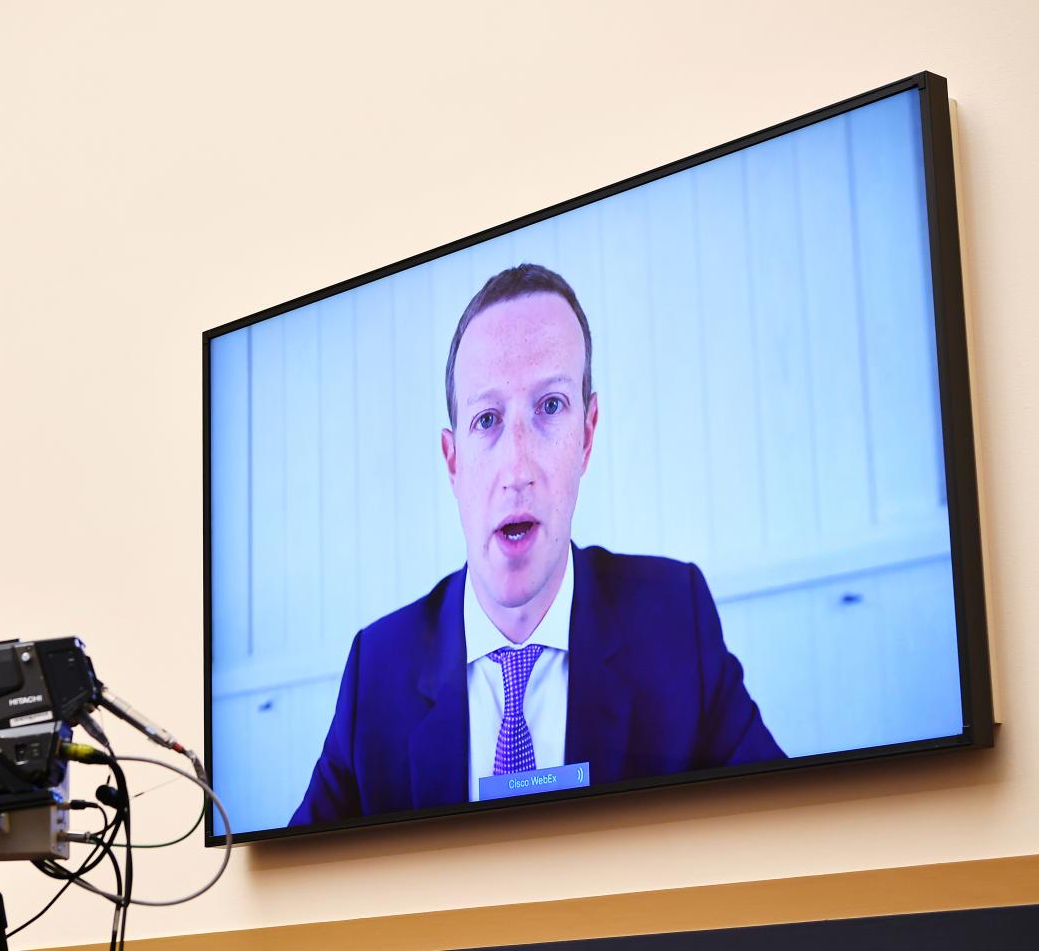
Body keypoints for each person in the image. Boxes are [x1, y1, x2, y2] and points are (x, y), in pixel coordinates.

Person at [291, 264, 782, 826]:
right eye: (487, 419)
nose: (517, 468)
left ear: (587, 435)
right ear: (453, 463)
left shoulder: (676, 621)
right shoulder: (377, 673)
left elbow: (776, 832)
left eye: (550, 407)